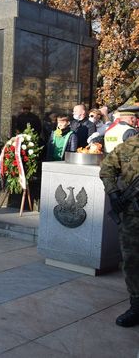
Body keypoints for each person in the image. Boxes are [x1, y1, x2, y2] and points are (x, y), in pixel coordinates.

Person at [99, 110, 139, 327]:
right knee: (132, 261)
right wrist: (114, 194)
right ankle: (136, 306)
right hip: (132, 217)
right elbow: (106, 169)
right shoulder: (130, 145)